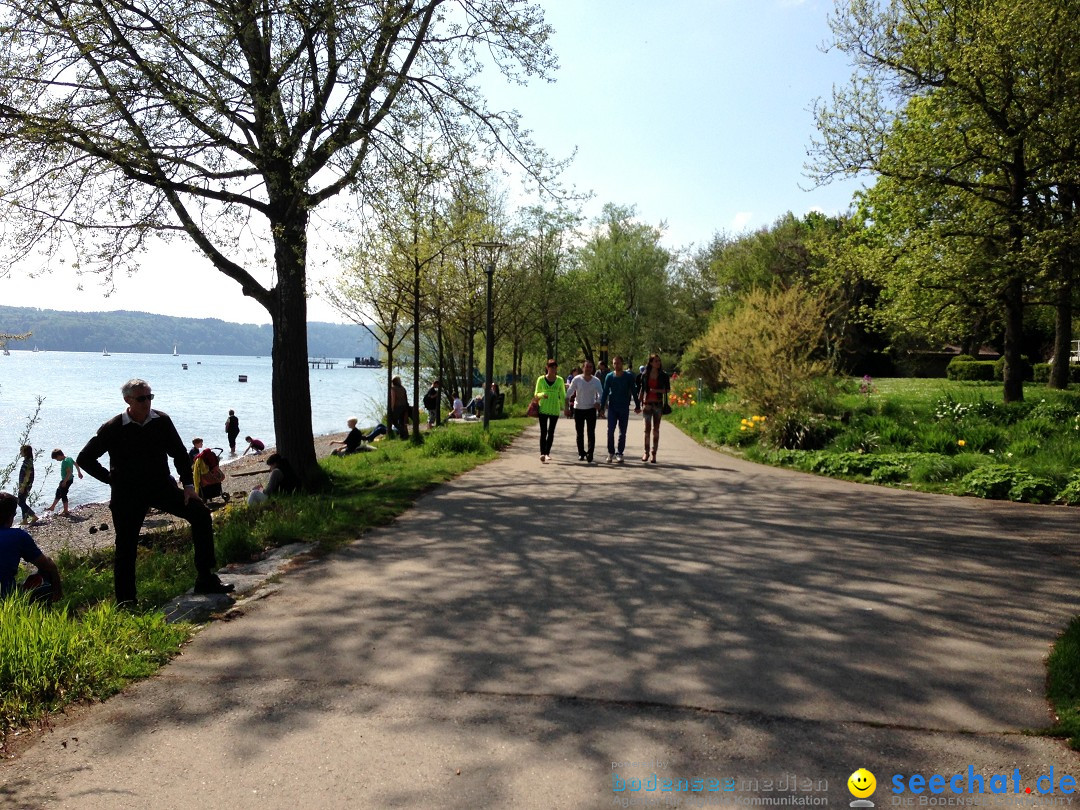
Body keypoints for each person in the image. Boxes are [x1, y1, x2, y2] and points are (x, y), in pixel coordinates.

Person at [77, 378, 234, 603]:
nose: (147, 402)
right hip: (127, 494)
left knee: (200, 514)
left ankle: (205, 578)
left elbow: (179, 454)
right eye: (141, 398)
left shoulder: (161, 421)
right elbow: (85, 458)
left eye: (150, 397)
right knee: (126, 546)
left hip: (160, 486)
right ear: (128, 400)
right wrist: (111, 480)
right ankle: (126, 602)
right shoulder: (113, 428)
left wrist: (189, 487)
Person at [0, 492, 62, 602]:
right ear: (11, 516)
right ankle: (49, 606)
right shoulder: (17, 536)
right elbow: (47, 565)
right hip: (6, 598)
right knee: (46, 571)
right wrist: (58, 591)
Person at [600, 355, 640, 463]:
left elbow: (634, 391)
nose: (616, 365)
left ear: (622, 364)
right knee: (610, 431)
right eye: (614, 363)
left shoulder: (628, 376)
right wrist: (602, 408)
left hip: (623, 407)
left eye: (618, 363)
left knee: (622, 432)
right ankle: (611, 452)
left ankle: (620, 453)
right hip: (612, 407)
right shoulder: (609, 376)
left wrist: (637, 405)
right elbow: (605, 393)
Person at [566, 360, 604, 463]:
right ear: (583, 368)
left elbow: (601, 393)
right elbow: (569, 392)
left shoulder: (596, 381)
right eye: (586, 367)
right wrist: (566, 405)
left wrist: (598, 402)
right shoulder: (577, 379)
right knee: (580, 433)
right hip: (579, 409)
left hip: (591, 409)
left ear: (592, 369)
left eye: (590, 367)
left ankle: (590, 453)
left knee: (591, 432)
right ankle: (581, 453)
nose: (588, 369)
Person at [637, 353, 671, 464]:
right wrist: (639, 403)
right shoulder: (645, 374)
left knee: (655, 430)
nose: (658, 363)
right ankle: (646, 452)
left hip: (658, 404)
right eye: (656, 361)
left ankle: (654, 453)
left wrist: (656, 391)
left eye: (659, 361)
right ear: (651, 362)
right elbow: (642, 389)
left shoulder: (664, 375)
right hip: (647, 404)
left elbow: (667, 390)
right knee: (646, 429)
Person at [534, 359, 566, 463]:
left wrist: (565, 408)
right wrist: (542, 395)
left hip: (554, 409)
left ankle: (547, 453)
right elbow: (536, 394)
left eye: (555, 367)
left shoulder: (560, 380)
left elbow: (562, 395)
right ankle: (542, 453)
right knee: (543, 432)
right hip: (543, 408)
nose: (553, 369)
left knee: (551, 432)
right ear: (547, 368)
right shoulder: (541, 379)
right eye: (551, 367)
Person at [46, 448, 83, 517]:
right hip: (68, 479)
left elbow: (69, 473)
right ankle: (52, 507)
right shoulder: (69, 458)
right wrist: (79, 472)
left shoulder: (65, 462)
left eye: (56, 458)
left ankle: (66, 511)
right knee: (58, 492)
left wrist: (64, 482)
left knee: (63, 494)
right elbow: (76, 464)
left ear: (59, 455)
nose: (57, 460)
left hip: (67, 480)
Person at [16, 445, 37, 526]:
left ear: (25, 452)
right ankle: (24, 520)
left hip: (25, 485)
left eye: (21, 450)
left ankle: (33, 516)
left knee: (20, 502)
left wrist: (23, 486)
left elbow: (27, 475)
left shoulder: (27, 462)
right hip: (26, 484)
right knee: (23, 501)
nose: (20, 452)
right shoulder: (29, 460)